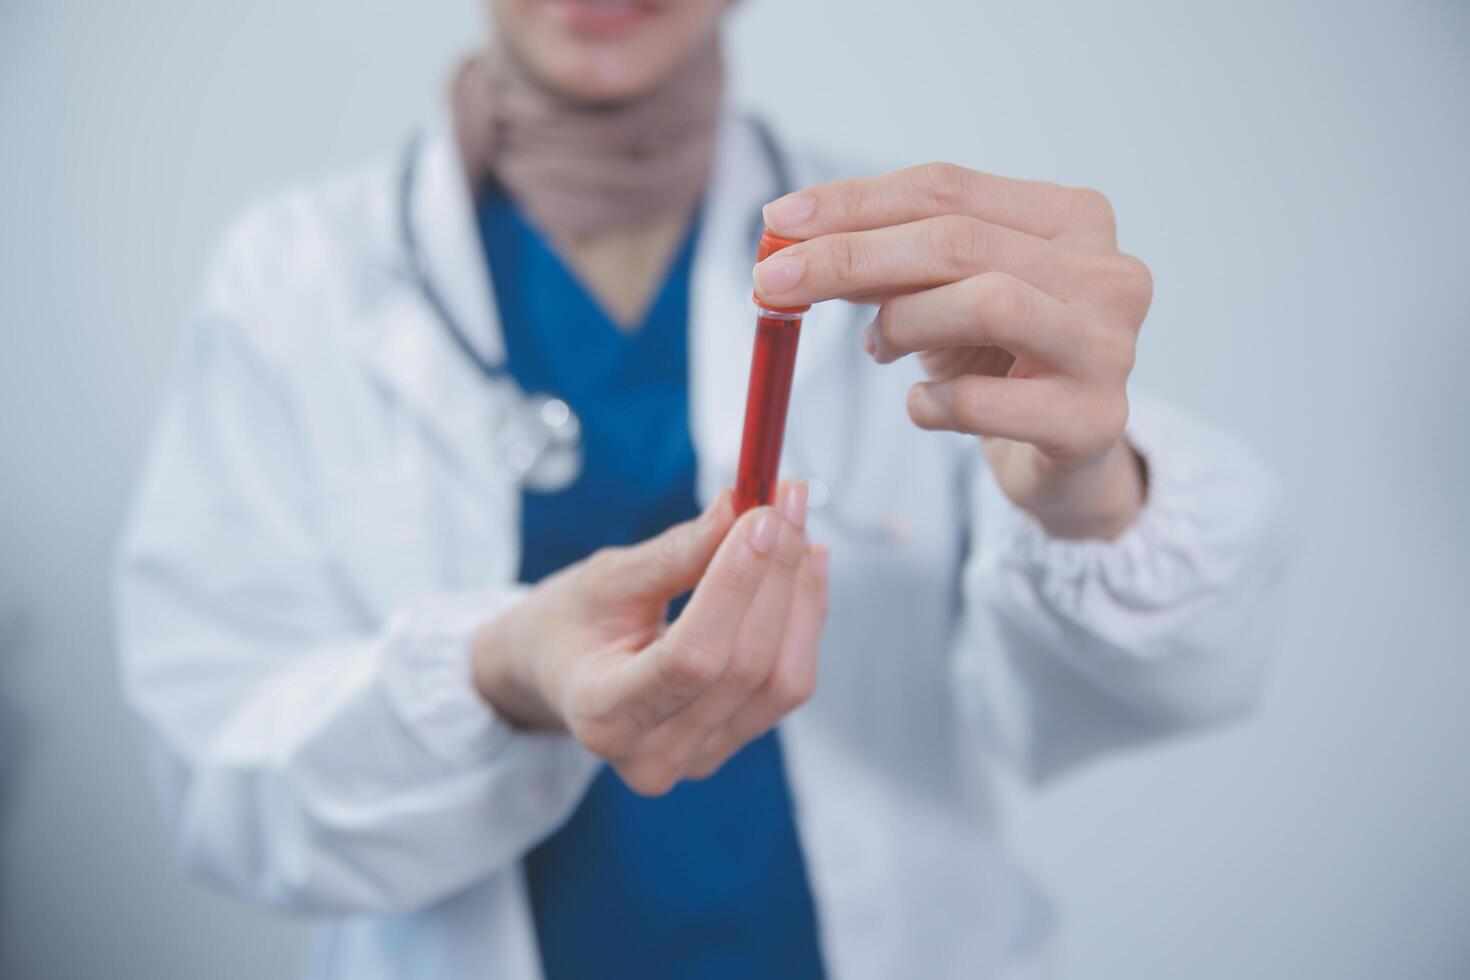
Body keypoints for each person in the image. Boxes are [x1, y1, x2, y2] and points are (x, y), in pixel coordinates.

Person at [115, 1, 1282, 977]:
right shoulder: (294, 282)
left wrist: (1087, 496)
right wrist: (501, 672)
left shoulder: (933, 267)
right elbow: (228, 785)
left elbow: (1185, 673)